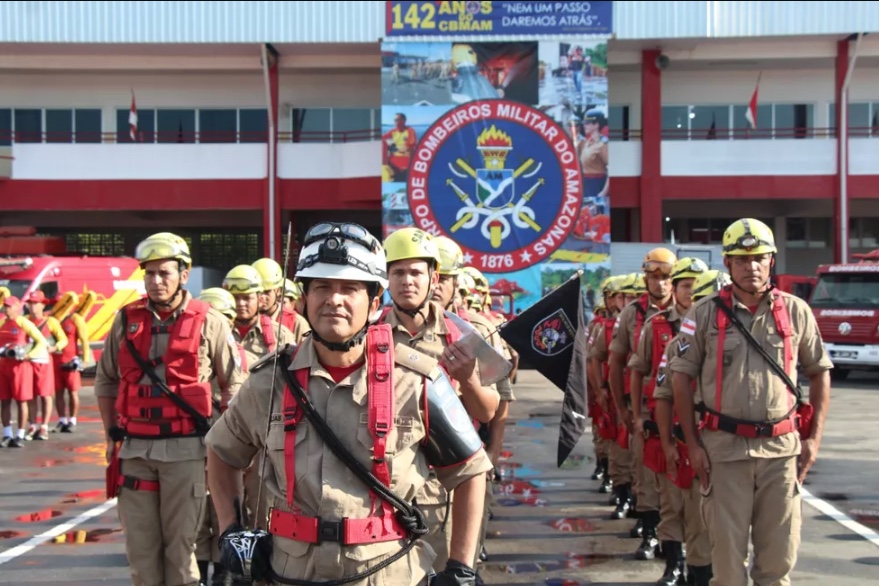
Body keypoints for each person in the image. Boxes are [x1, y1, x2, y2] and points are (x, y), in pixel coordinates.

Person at [206, 222, 492, 585]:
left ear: (374, 303)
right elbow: (221, 451)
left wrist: (461, 567)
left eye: (349, 289)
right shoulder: (269, 382)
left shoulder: (418, 380)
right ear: (304, 298)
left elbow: (469, 470)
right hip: (291, 572)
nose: (334, 300)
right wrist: (231, 530)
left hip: (387, 571)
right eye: (322, 287)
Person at [670, 218, 833, 586]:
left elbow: (820, 371)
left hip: (780, 453)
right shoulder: (704, 313)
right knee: (727, 567)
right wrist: (692, 445)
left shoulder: (796, 311)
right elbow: (681, 378)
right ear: (727, 264)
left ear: (771, 260)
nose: (751, 266)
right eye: (741, 259)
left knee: (777, 564)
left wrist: (814, 440)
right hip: (723, 453)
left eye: (759, 257)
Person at [95, 232, 244, 586]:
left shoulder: (210, 321)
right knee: (141, 552)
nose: (156, 281)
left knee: (181, 551)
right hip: (134, 451)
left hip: (187, 451)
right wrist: (110, 435)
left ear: (184, 274)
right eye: (150, 274)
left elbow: (234, 383)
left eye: (165, 273)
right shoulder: (125, 320)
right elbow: (106, 381)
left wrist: (223, 440)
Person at [380, 227, 500, 575]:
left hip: (445, 488)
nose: (407, 281)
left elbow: (488, 410)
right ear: (385, 279)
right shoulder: (370, 335)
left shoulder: (462, 332)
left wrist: (468, 380)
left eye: (416, 272)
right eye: (397, 272)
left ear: (434, 278)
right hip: (387, 486)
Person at [628, 257, 708, 584]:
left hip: (709, 433)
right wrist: (636, 416)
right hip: (669, 428)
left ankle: (703, 568)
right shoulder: (658, 325)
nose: (692, 291)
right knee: (671, 500)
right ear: (676, 291)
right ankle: (673, 564)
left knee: (704, 508)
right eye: (686, 285)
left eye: (697, 286)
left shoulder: (719, 325)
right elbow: (638, 370)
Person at [609, 249, 677, 557]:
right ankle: (650, 533)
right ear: (646, 278)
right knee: (647, 471)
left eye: (666, 278)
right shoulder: (631, 314)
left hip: (684, 407)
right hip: (646, 407)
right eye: (654, 277)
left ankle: (680, 542)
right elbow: (616, 361)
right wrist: (625, 410)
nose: (660, 284)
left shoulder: (693, 311)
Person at [0, 296, 47, 448]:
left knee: (21, 401)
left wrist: (28, 355)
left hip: (20, 367)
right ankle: (7, 435)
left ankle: (19, 435)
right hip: (3, 366)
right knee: (4, 401)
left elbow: (41, 341)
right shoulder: (2, 322)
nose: (5, 309)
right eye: (4, 306)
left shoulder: (23, 322)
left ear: (16, 307)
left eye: (8, 306)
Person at [24, 290, 68, 440]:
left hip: (44, 363)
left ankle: (44, 426)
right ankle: (32, 425)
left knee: (45, 395)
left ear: (43, 305)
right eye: (30, 303)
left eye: (35, 303)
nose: (32, 306)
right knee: (30, 396)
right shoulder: (24, 320)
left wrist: (54, 348)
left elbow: (63, 339)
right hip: (28, 362)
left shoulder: (51, 322)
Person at [52, 291, 91, 433]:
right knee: (58, 392)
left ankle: (72, 420)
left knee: (73, 392)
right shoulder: (52, 319)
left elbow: (84, 341)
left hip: (70, 361)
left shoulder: (75, 319)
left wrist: (84, 360)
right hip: (55, 360)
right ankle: (62, 420)